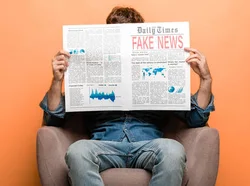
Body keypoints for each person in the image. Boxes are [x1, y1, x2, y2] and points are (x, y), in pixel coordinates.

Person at [39, 6, 215, 186]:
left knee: (173, 150)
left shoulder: (159, 71)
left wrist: (205, 79)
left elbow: (196, 119)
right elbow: (53, 119)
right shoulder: (92, 68)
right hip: (103, 146)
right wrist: (56, 80)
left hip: (149, 146)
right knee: (77, 151)